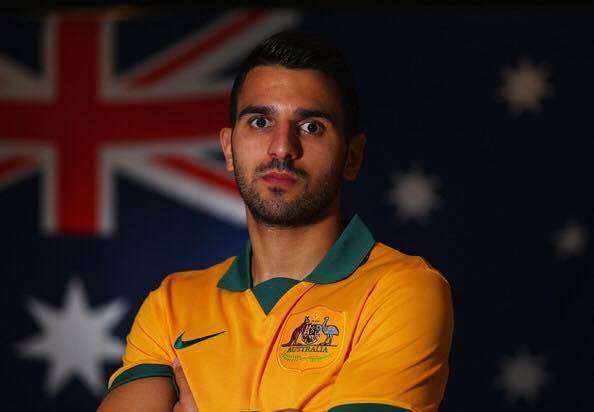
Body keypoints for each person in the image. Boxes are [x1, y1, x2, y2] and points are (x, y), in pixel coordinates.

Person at [98, 31, 453, 412]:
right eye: (260, 122)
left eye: (311, 126)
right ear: (229, 148)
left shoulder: (402, 289)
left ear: (352, 157)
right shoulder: (171, 304)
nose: (282, 147)